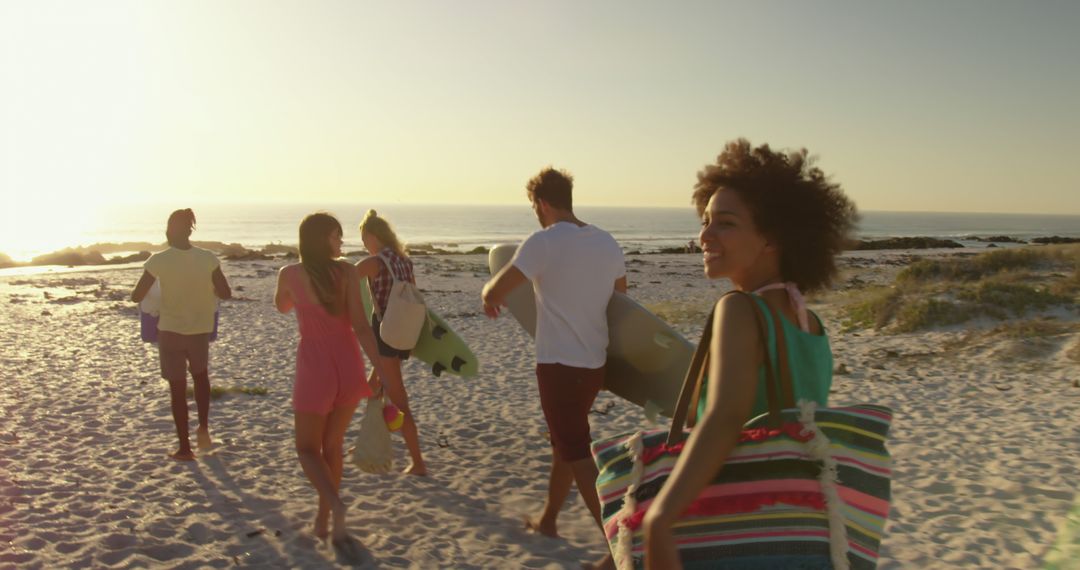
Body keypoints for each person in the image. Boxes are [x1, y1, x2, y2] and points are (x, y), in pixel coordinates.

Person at [641, 139, 857, 569]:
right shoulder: (810, 324)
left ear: (771, 238)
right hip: (792, 523)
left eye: (725, 223)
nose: (705, 235)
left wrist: (660, 518)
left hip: (733, 522)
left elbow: (724, 420)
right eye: (705, 221)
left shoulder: (739, 310)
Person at [482, 167, 626, 568]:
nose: (536, 213)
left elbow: (497, 288)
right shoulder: (606, 241)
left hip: (559, 365)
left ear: (542, 203)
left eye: (535, 207)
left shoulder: (542, 243)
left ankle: (619, 548)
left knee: (576, 449)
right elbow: (621, 303)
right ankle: (548, 520)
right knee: (564, 441)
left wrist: (488, 297)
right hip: (594, 364)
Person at [274, 213, 389, 553]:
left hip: (316, 366)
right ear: (322, 238)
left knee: (307, 449)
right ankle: (324, 520)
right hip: (348, 362)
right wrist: (381, 369)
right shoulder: (348, 272)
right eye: (336, 236)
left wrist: (292, 295)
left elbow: (282, 306)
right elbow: (360, 325)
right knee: (333, 445)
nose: (341, 242)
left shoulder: (290, 273)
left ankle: (334, 507)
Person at [132, 208, 231, 462]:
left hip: (171, 331)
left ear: (169, 230)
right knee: (201, 378)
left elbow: (137, 295)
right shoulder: (208, 258)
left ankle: (184, 448)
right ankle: (204, 430)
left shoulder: (158, 260)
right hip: (200, 330)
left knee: (177, 389)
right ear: (190, 230)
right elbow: (225, 292)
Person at [353, 209, 428, 476]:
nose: (363, 245)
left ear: (372, 236)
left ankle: (418, 463)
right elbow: (413, 293)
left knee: (399, 400)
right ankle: (371, 441)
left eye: (364, 239)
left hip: (385, 335)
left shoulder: (375, 262)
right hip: (403, 333)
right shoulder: (403, 260)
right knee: (373, 389)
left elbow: (347, 278)